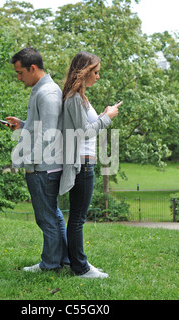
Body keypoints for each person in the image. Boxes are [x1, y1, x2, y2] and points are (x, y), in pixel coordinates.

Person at [6, 47, 69, 272]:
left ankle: (50, 264)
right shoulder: (41, 90)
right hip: (43, 166)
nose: (18, 77)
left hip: (43, 167)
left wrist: (27, 163)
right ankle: (64, 260)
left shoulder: (47, 93)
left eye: (20, 72)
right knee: (53, 215)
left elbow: (48, 134)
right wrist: (22, 125)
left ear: (33, 68)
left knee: (46, 218)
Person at [59, 51, 121, 278]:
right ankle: (80, 267)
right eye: (95, 72)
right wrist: (107, 118)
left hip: (86, 162)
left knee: (77, 217)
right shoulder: (75, 98)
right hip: (82, 164)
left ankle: (76, 262)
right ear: (84, 72)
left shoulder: (81, 97)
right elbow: (83, 133)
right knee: (78, 219)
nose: (98, 76)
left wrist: (103, 115)